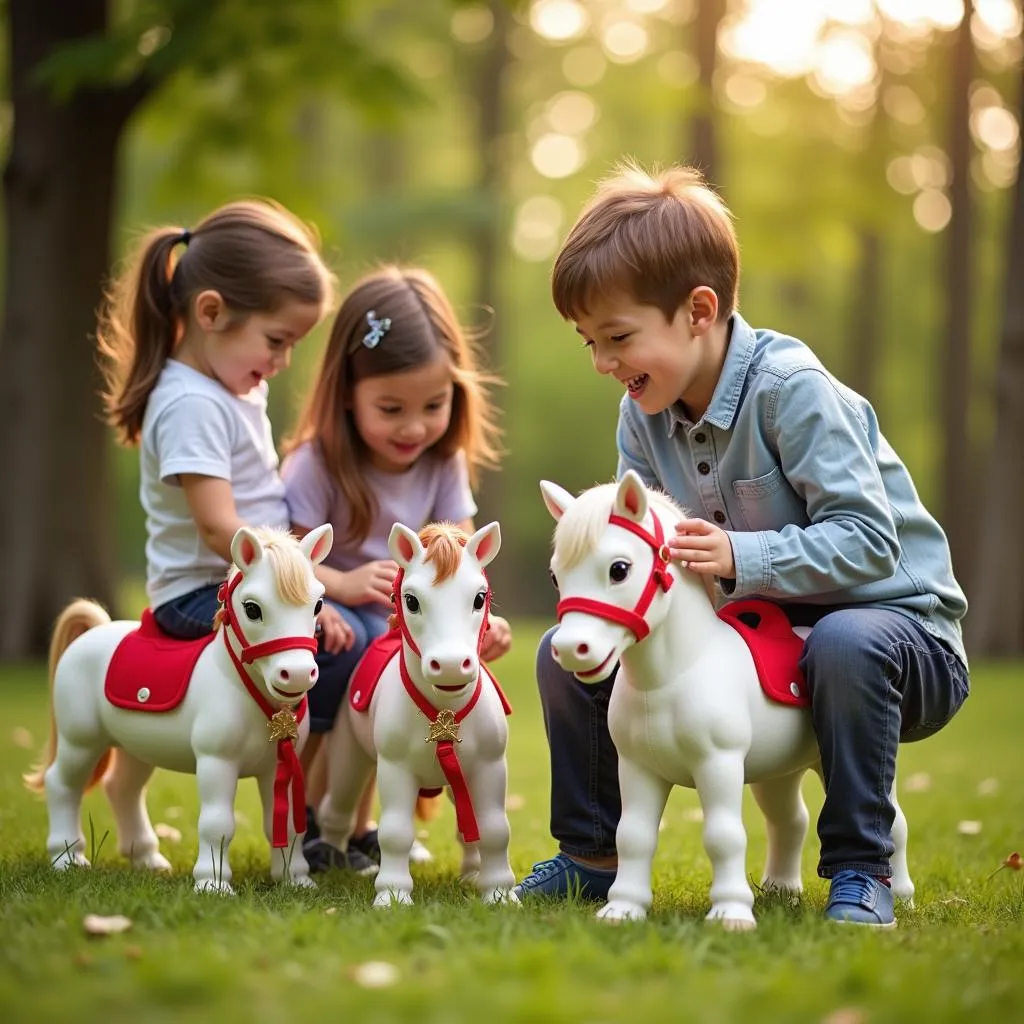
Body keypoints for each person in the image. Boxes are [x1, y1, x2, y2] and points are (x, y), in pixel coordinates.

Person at [513, 163, 970, 927]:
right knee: (569, 647)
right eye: (590, 341)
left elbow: (871, 542)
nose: (603, 364)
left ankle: (862, 867)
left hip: (896, 635)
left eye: (618, 338)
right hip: (757, 633)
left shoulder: (792, 391)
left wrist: (738, 557)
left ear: (699, 310)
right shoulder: (642, 414)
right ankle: (595, 855)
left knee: (845, 644)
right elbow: (639, 553)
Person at [98, 200, 376, 865]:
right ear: (211, 313)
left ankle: (320, 806)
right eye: (276, 341)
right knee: (335, 649)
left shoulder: (230, 387)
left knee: (360, 635)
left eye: (292, 346)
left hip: (252, 585)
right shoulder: (191, 403)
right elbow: (222, 528)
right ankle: (310, 819)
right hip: (201, 592)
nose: (282, 361)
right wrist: (326, 584)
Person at [281, 264, 513, 871]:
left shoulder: (443, 464)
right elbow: (291, 561)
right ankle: (311, 815)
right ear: (346, 393)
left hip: (418, 625)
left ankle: (359, 829)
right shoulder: (316, 464)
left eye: (433, 405)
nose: (414, 426)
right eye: (390, 408)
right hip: (333, 612)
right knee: (350, 646)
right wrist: (341, 586)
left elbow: (460, 561)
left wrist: (478, 622)